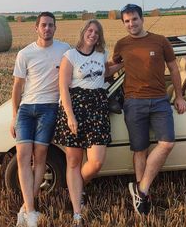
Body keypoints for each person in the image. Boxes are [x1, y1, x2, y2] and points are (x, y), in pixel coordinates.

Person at [112, 4, 186, 216]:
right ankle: (142, 195)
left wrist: (179, 96)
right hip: (134, 102)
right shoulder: (121, 45)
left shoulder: (160, 41)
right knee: (140, 149)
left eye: (134, 19)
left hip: (160, 100)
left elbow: (173, 68)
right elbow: (113, 67)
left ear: (141, 18)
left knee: (167, 143)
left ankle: (141, 189)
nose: (131, 24)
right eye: (126, 21)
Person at [53, 19, 123, 226]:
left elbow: (105, 72)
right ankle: (77, 211)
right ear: (83, 32)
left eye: (96, 32)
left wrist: (123, 63)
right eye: (90, 30)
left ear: (99, 36)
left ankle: (75, 187)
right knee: (73, 162)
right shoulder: (70, 56)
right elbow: (63, 88)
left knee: (96, 162)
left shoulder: (101, 55)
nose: (93, 34)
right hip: (75, 107)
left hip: (98, 109)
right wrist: (70, 116)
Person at [10, 12, 70, 227]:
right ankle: (32, 209)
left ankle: (26, 209)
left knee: (40, 155)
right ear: (36, 28)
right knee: (22, 156)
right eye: (43, 25)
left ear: (55, 28)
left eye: (51, 25)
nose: (47, 29)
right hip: (26, 109)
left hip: (49, 108)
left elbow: (79, 65)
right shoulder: (25, 53)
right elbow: (17, 86)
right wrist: (14, 115)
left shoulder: (64, 50)